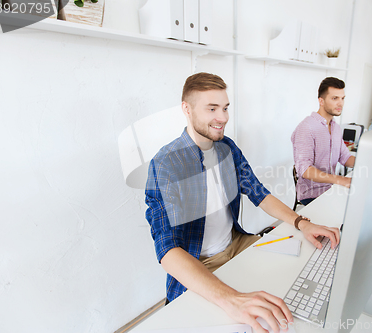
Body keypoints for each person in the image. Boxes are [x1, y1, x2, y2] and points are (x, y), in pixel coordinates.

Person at [145, 72, 341, 333]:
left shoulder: (227, 147)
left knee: (301, 270)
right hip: (199, 262)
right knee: (249, 319)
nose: (223, 117)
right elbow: (167, 251)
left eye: (225, 108)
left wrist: (301, 222)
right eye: (212, 108)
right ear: (187, 109)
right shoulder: (166, 164)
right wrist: (231, 299)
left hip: (236, 243)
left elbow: (259, 193)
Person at [291, 77, 355, 206]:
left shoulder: (336, 127)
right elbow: (305, 170)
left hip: (331, 189)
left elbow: (345, 157)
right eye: (334, 98)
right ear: (321, 101)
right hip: (312, 194)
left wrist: (369, 162)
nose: (340, 103)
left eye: (342, 98)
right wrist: (341, 180)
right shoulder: (306, 127)